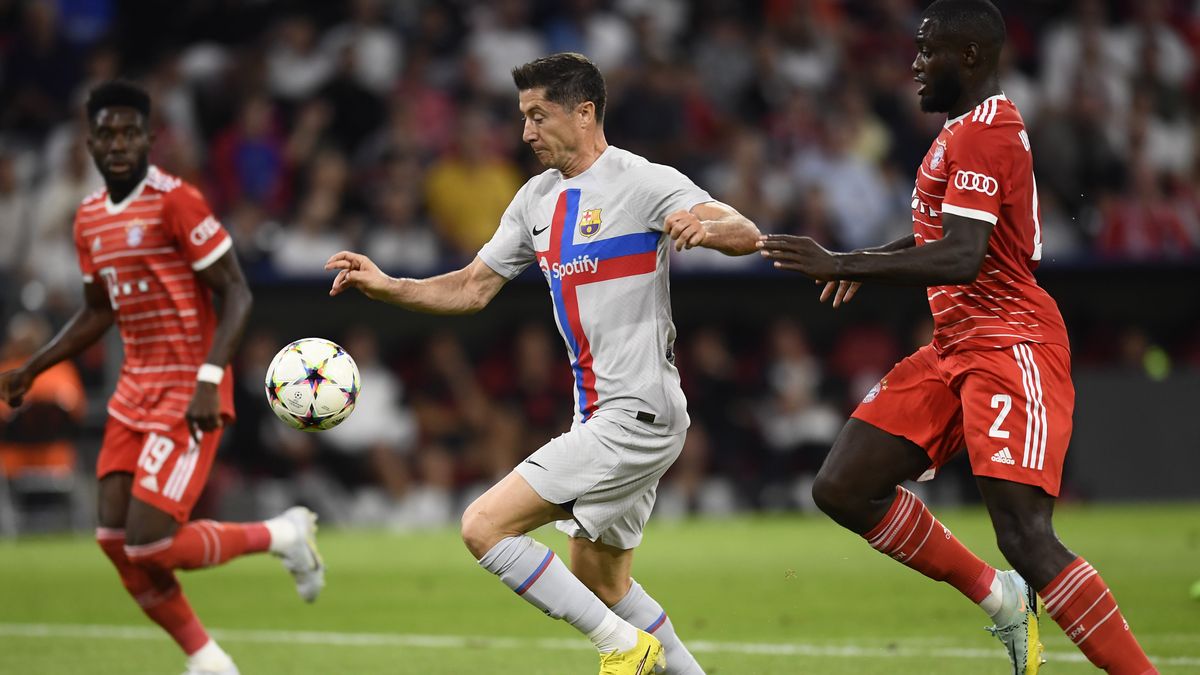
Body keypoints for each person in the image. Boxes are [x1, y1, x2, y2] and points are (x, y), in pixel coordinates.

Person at [326, 52, 760, 674]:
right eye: (522, 117)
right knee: (602, 583)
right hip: (612, 416)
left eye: (539, 115)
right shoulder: (536, 200)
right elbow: (472, 288)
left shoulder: (639, 180)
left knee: (483, 526)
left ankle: (621, 646)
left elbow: (743, 229)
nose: (526, 132)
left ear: (585, 114)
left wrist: (704, 227)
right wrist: (389, 285)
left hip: (634, 412)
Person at [758, 2, 1157, 674]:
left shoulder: (983, 134)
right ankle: (1000, 596)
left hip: (1009, 343)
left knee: (1026, 535)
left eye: (926, 50)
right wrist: (870, 259)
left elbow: (963, 255)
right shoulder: (964, 130)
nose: (913, 64)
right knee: (844, 487)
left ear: (968, 56)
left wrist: (844, 262)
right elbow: (944, 237)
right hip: (956, 346)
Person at [0, 81, 324, 675]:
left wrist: (208, 376)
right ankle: (207, 659)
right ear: (91, 142)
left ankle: (281, 534)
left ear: (150, 138)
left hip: (188, 389)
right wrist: (34, 366)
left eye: (130, 132)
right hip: (134, 391)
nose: (118, 143)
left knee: (149, 541)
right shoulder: (90, 218)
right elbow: (99, 310)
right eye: (107, 133)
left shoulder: (177, 201)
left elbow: (236, 290)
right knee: (112, 541)